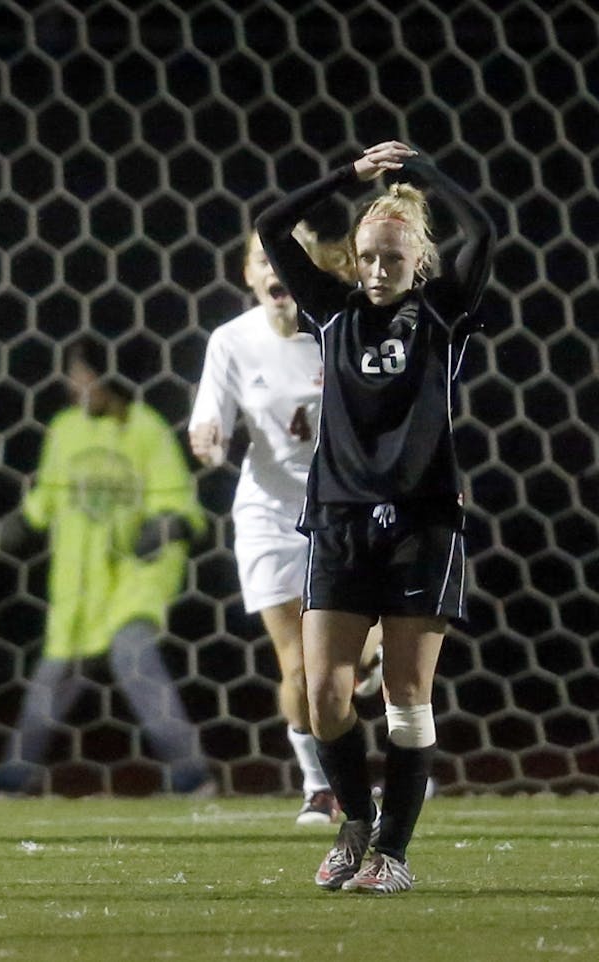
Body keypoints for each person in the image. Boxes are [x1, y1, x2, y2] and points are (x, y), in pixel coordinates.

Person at [255, 140, 493, 895]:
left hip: (423, 523)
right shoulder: (332, 312)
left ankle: (394, 852)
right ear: (353, 257)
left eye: (394, 257)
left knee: (404, 696)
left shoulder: (443, 313)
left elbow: (482, 231)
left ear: (418, 258)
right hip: (338, 519)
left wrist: (423, 175)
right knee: (324, 692)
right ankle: (355, 823)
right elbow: (270, 227)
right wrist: (350, 177)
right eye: (368, 256)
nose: (380, 269)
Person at [0, 339, 214, 796]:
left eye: (83, 374)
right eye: (73, 376)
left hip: (133, 578)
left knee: (135, 661)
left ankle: (192, 776)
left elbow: (179, 501)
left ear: (110, 377)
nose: (75, 385)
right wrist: (0, 536)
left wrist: (165, 526)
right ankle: (11, 779)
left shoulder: (145, 429)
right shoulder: (64, 429)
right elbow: (45, 502)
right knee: (53, 683)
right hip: (78, 584)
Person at [189, 229, 355, 825]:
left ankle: (382, 722)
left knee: (350, 658)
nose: (277, 270)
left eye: (290, 259)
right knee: (300, 664)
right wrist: (207, 440)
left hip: (346, 509)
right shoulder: (232, 341)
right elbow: (211, 420)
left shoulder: (341, 326)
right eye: (264, 259)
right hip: (270, 514)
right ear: (249, 274)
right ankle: (319, 786)